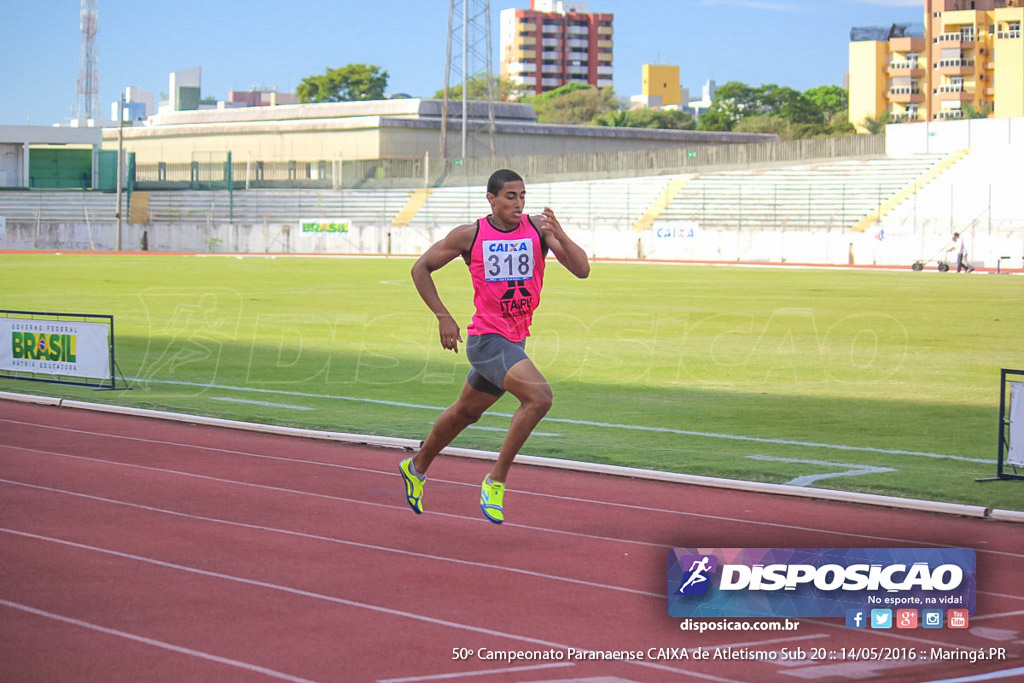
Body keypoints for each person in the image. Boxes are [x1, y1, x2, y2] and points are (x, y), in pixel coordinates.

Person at [399, 169, 590, 524]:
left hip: (515, 339)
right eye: (510, 196)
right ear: (491, 198)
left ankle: (416, 466)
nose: (518, 203)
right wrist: (443, 315)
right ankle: (496, 480)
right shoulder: (470, 235)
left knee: (465, 414)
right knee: (539, 397)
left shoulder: (538, 230)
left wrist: (559, 233)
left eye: (522, 196)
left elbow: (582, 270)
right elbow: (420, 268)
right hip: (487, 341)